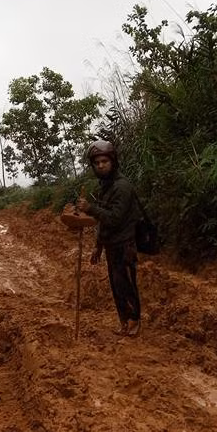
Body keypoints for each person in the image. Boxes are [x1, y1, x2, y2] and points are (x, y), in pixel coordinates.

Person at [77, 140, 143, 337]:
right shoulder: (105, 186)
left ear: (113, 161)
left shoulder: (122, 187)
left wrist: (90, 208)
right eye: (97, 163)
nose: (100, 165)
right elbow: (103, 221)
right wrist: (98, 246)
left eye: (104, 161)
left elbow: (114, 218)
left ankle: (134, 320)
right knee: (116, 285)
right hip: (111, 245)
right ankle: (124, 321)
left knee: (126, 284)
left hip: (125, 244)